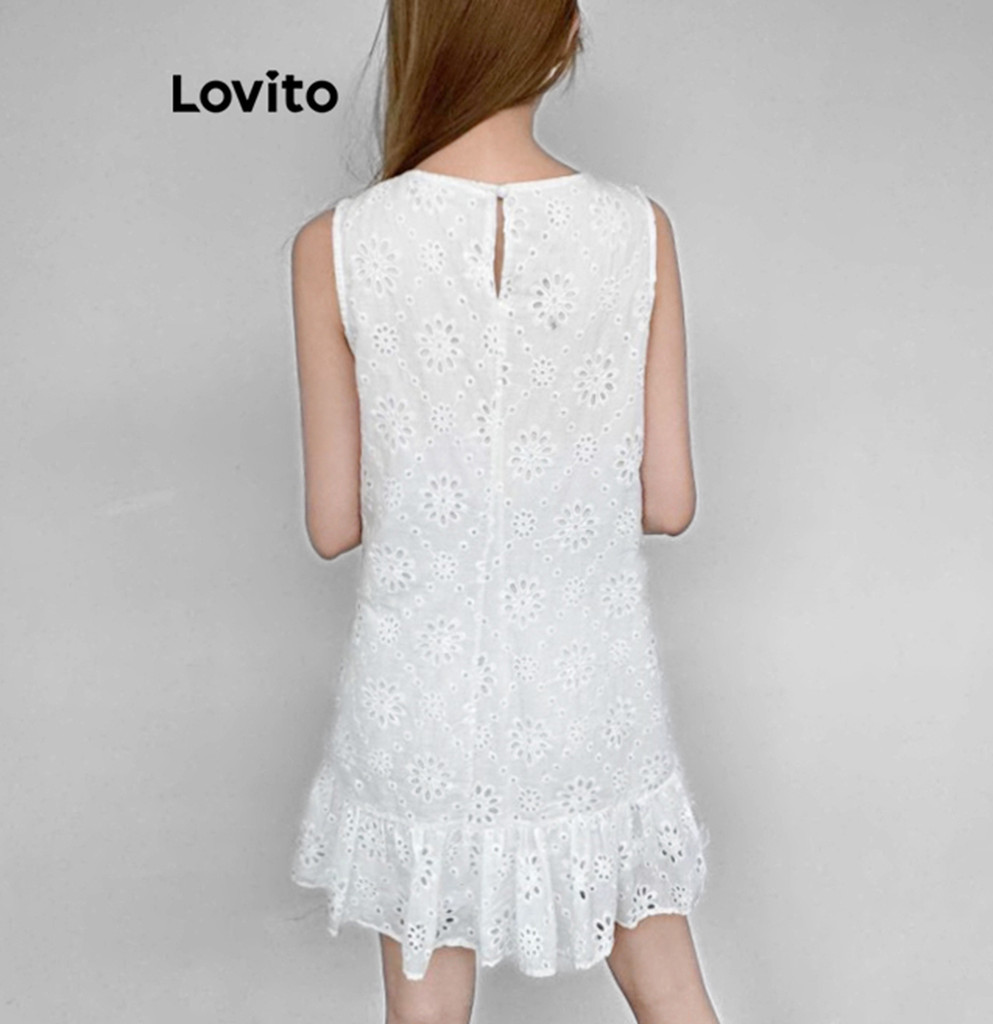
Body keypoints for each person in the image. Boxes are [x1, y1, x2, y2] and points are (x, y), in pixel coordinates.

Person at [289, 3, 721, 1022]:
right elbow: (669, 501)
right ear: (559, 41)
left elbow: (333, 523)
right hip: (589, 697)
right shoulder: (639, 231)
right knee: (671, 993)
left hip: (419, 703)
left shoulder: (335, 245)